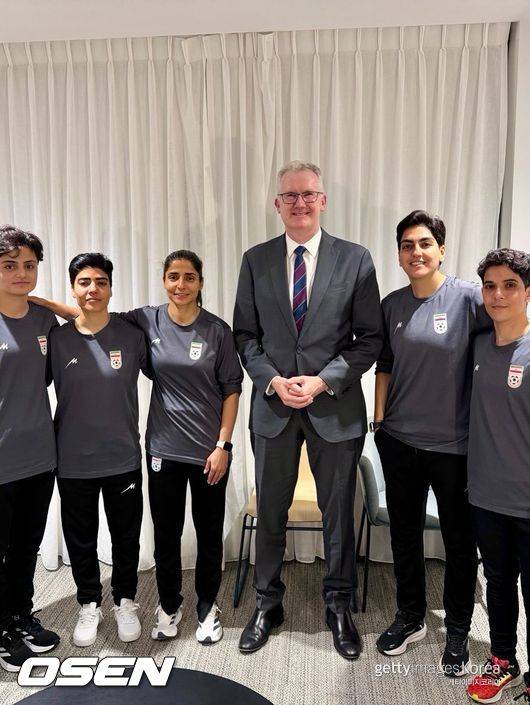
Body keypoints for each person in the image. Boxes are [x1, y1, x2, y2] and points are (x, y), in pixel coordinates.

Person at [38, 250, 243, 645]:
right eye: (173, 276)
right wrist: (40, 302)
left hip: (197, 453)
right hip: (153, 450)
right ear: (164, 281)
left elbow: (231, 388)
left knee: (200, 533)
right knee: (160, 535)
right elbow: (90, 316)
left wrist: (224, 444)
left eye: (189, 277)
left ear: (200, 282)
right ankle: (156, 604)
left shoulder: (205, 330)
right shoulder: (140, 322)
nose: (180, 284)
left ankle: (195, 605)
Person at [233, 160, 383, 659]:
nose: (300, 203)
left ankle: (339, 606)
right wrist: (272, 380)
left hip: (334, 409)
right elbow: (245, 336)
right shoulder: (255, 260)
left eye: (308, 194)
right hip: (273, 407)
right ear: (277, 204)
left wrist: (322, 381)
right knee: (271, 511)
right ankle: (267, 604)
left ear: (323, 201)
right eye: (290, 195)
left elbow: (370, 340)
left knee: (338, 514)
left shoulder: (355, 260)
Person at [373, 210, 487, 676]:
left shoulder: (469, 299)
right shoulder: (391, 305)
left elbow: (503, 344)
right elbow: (384, 365)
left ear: (441, 249)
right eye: (407, 245)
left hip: (455, 447)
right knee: (404, 535)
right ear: (399, 255)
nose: (415, 252)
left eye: (424, 244)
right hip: (400, 442)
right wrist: (379, 421)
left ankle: (457, 628)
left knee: (460, 542)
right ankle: (411, 616)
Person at [50, 253, 147, 647]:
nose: (93, 289)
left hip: (122, 457)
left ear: (110, 288)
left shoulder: (132, 335)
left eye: (101, 282)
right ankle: (89, 603)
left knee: (126, 537)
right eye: (84, 282)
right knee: (81, 540)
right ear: (73, 288)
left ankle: (125, 600)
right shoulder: (57, 340)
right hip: (72, 461)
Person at [465, 248, 530, 704]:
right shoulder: (478, 347)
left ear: (527, 292)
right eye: (490, 286)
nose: (497, 295)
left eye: (509, 285)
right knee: (498, 584)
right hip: (486, 495)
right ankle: (503, 660)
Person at [0, 225, 60, 673]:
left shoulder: (43, 321)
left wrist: (50, 304)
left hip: (39, 456)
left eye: (29, 265)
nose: (21, 273)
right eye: (9, 265)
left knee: (25, 547)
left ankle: (19, 614)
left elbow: (89, 321)